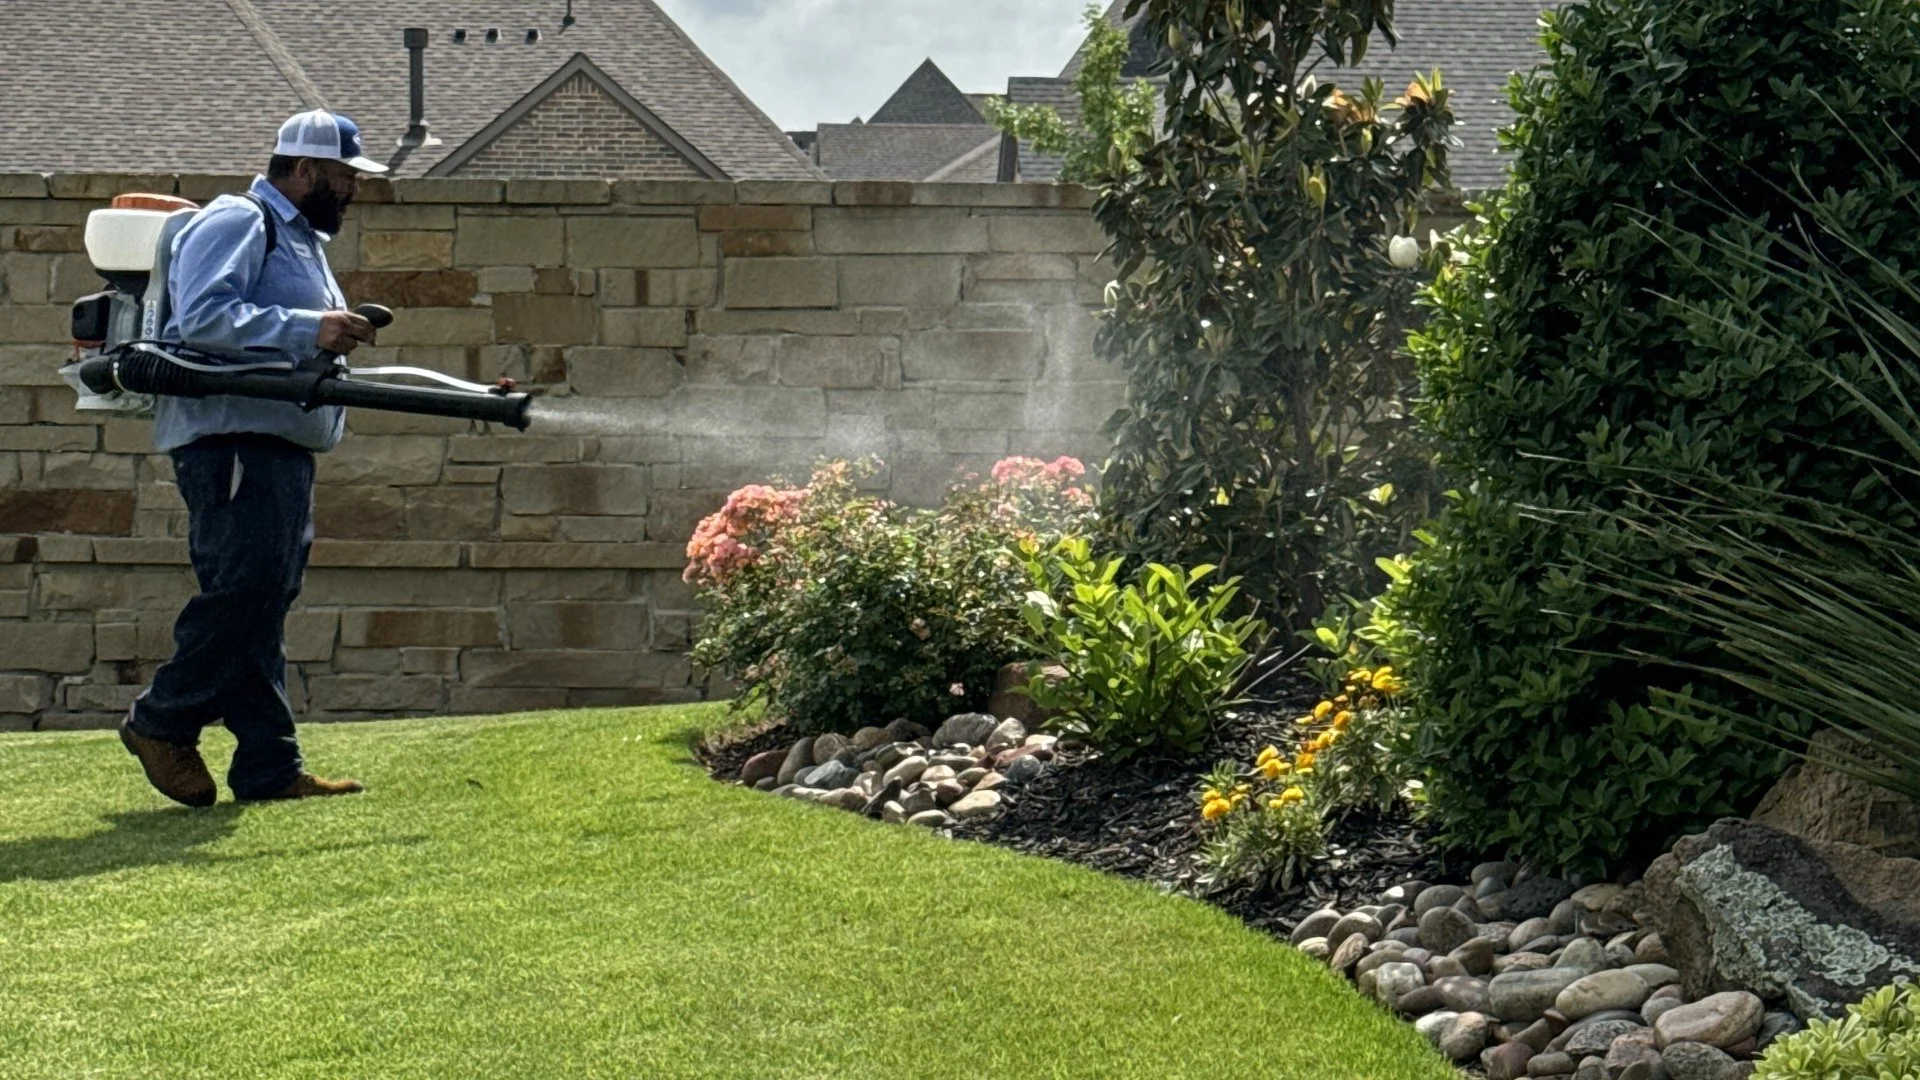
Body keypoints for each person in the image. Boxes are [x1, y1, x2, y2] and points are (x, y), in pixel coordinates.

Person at [119, 110, 386, 807]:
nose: (353, 188)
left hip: (277, 445)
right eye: (345, 176)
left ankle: (269, 766)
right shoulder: (239, 220)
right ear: (304, 171)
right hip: (231, 441)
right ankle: (161, 719)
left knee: (264, 599)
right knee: (243, 591)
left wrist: (324, 332)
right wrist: (310, 327)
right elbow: (201, 319)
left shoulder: (302, 243)